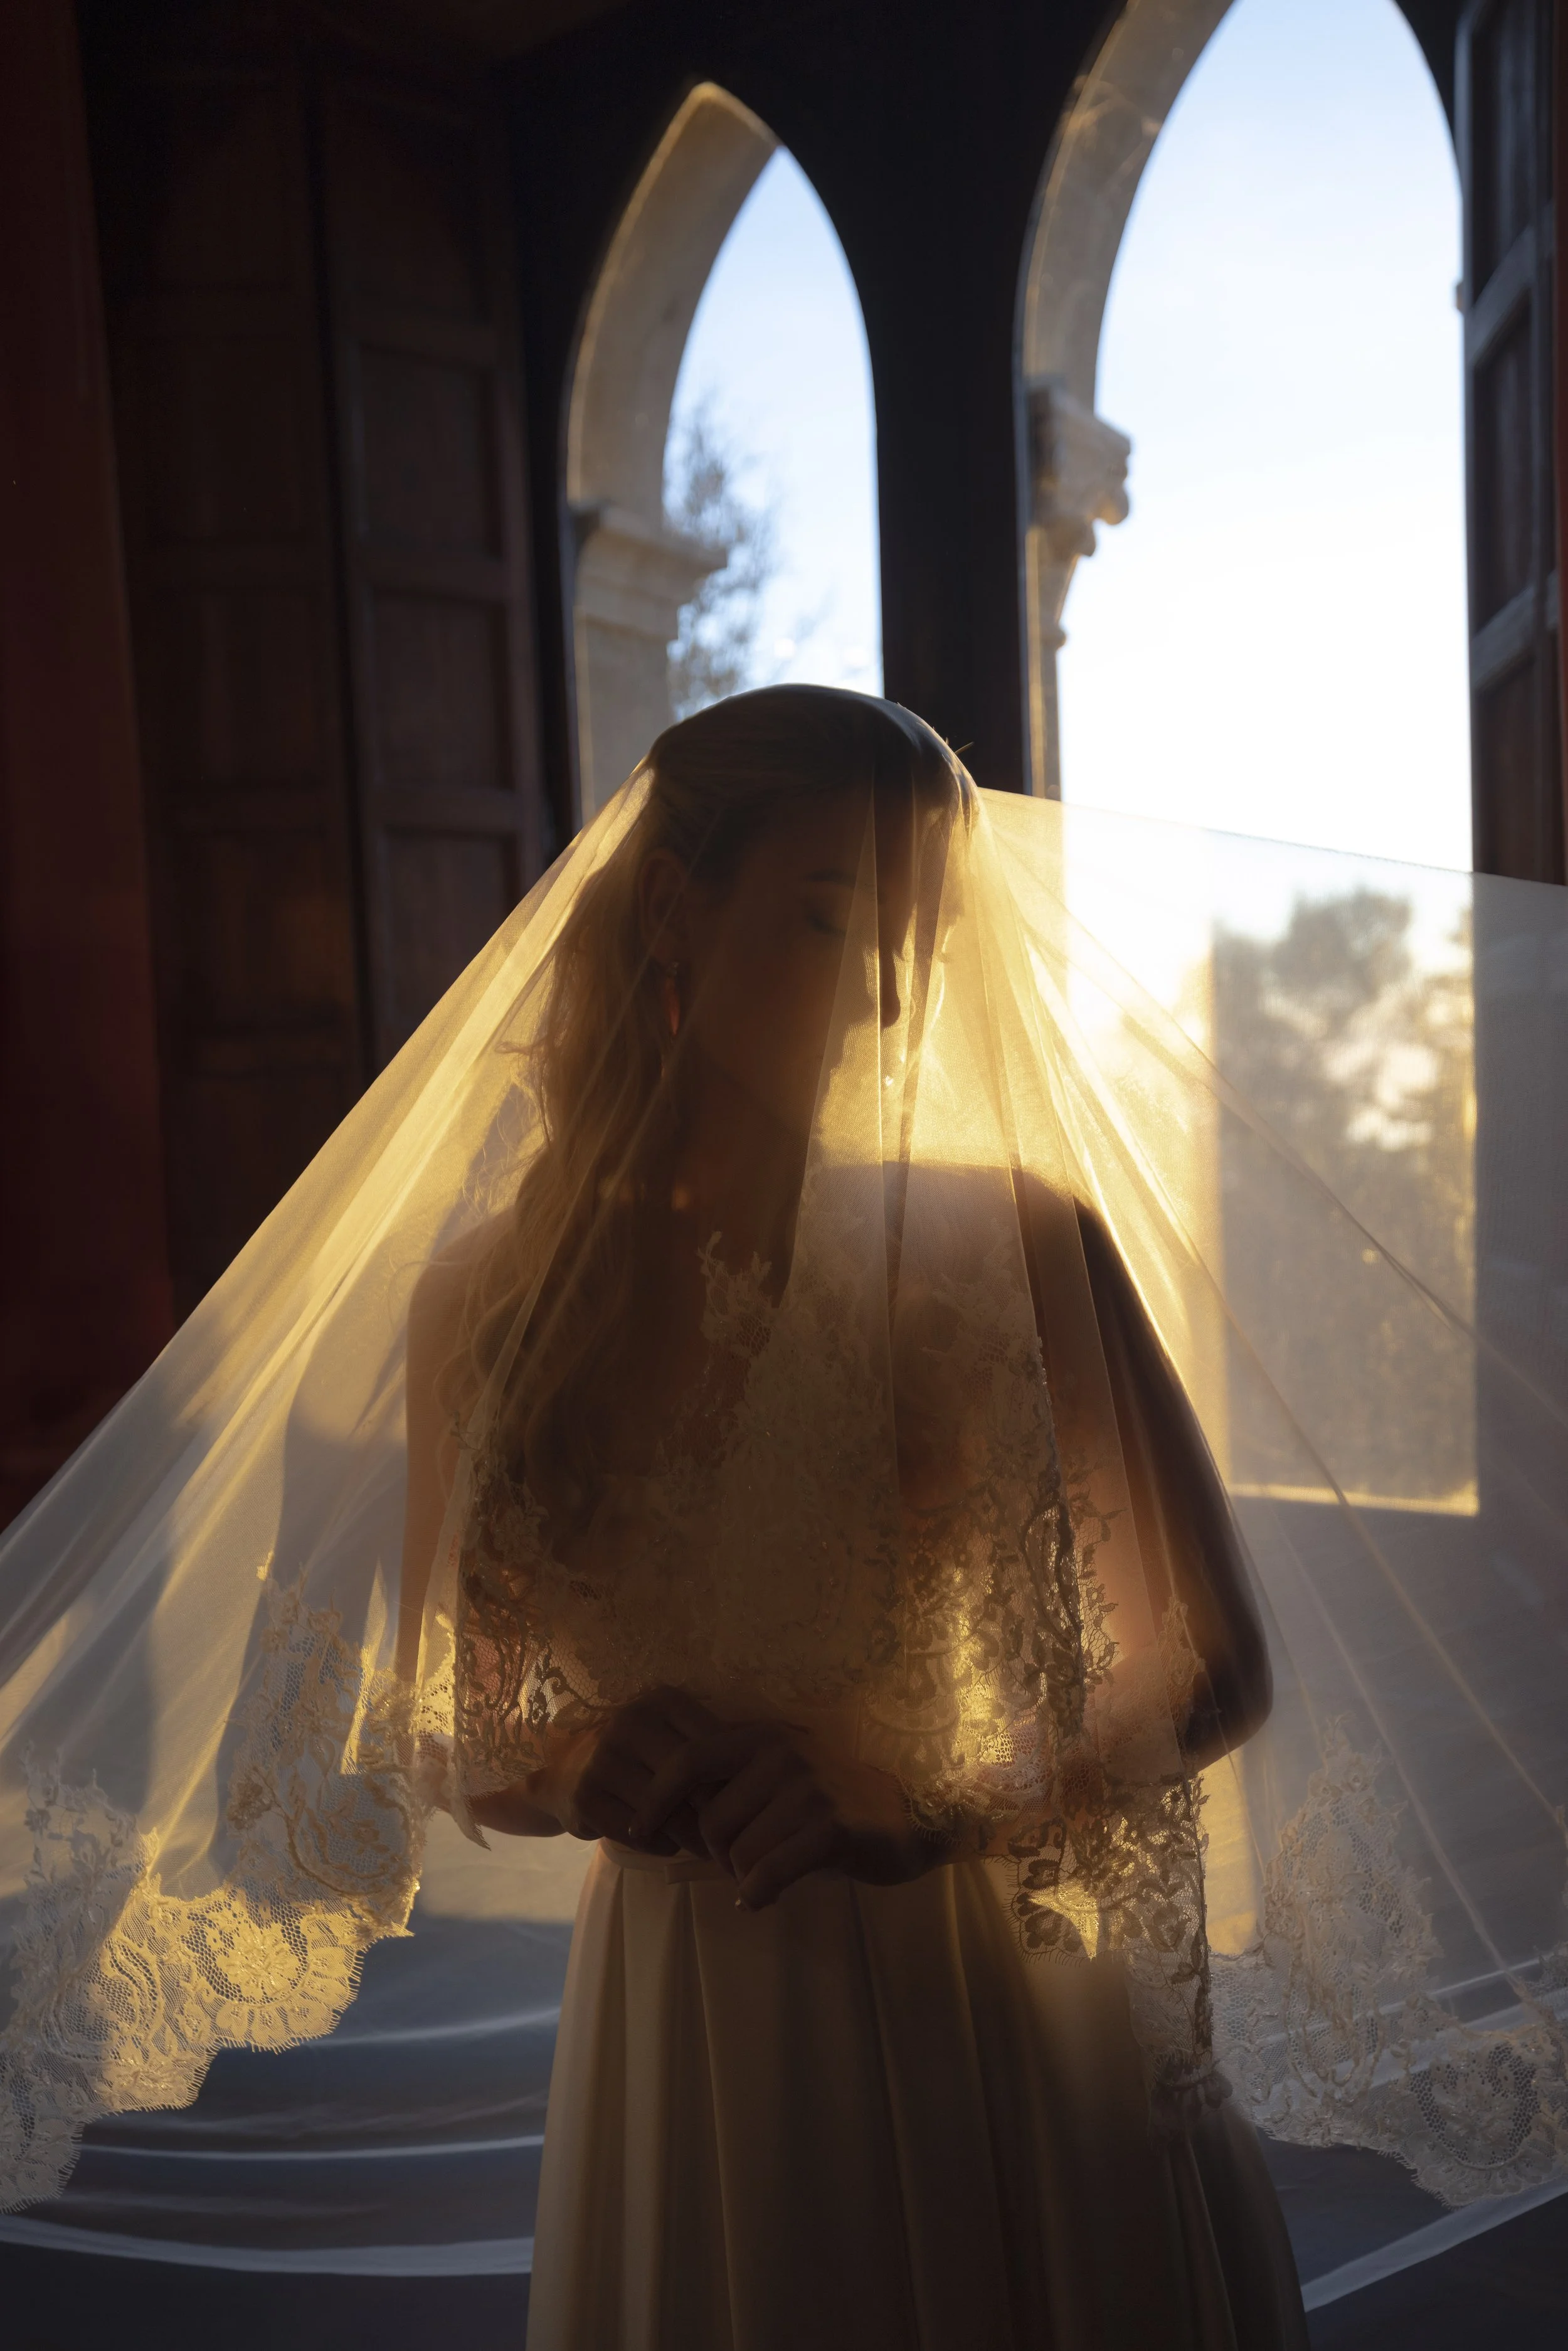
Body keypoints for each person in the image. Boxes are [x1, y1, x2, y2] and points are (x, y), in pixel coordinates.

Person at [398, 686, 1310, 2348]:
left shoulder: (1013, 1245)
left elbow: (1218, 1663)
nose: (885, 1001)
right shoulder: (487, 1309)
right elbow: (449, 1725)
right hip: (682, 2029)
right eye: (829, 920)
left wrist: (931, 1806)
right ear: (676, 906)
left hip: (966, 2003)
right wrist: (568, 1766)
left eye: (917, 940)